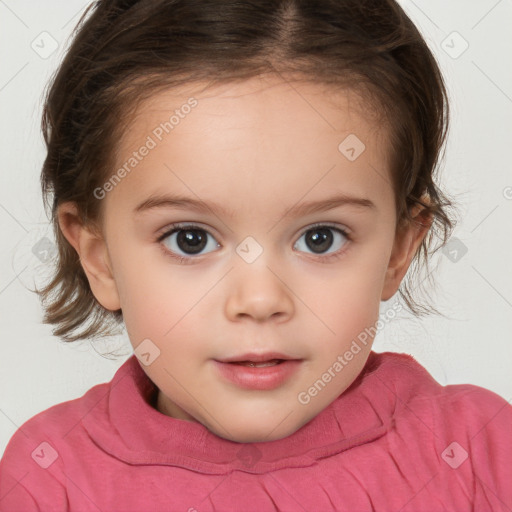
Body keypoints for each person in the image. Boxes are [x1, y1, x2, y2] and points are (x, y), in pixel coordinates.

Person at [1, 0, 510, 510]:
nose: (260, 300)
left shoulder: (483, 455)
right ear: (100, 258)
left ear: (399, 249)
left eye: (320, 238)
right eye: (190, 239)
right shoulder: (50, 480)